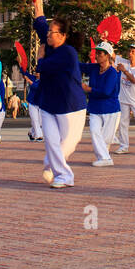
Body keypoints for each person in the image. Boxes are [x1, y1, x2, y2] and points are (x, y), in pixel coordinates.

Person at [32, 15, 88, 188]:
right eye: (48, 31)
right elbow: (40, 23)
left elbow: (43, 66)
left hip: (70, 106)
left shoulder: (68, 53)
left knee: (67, 143)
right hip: (49, 103)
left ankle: (53, 166)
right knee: (51, 140)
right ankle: (64, 176)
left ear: (62, 36)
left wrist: (40, 57)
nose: (48, 34)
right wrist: (36, 1)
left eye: (52, 32)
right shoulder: (48, 42)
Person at [81, 41, 122, 167]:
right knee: (94, 131)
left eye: (99, 53)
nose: (96, 55)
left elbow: (106, 91)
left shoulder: (112, 73)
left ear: (107, 56)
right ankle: (105, 159)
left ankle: (104, 157)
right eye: (96, 53)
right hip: (95, 108)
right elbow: (79, 66)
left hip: (111, 109)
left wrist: (88, 89)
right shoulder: (94, 68)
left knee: (105, 139)